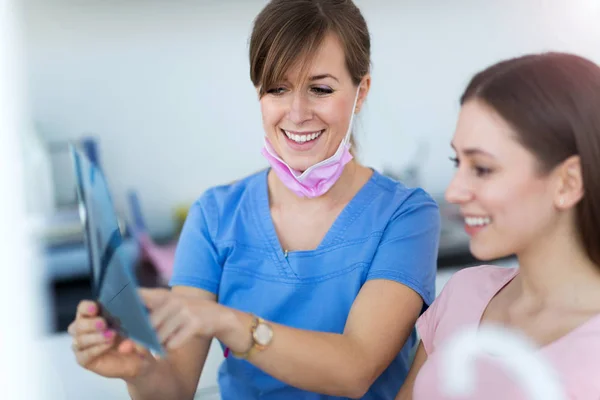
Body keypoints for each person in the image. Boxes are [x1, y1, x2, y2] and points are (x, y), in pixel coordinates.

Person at [68, 1, 441, 399]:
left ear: (360, 91)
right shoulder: (215, 217)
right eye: (277, 89)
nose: (297, 113)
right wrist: (138, 370)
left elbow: (354, 369)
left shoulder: (406, 216)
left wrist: (228, 322)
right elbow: (174, 388)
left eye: (320, 89)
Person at [395, 52, 600, 400]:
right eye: (457, 162)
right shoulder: (463, 294)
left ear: (567, 182)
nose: (455, 192)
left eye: (483, 168)